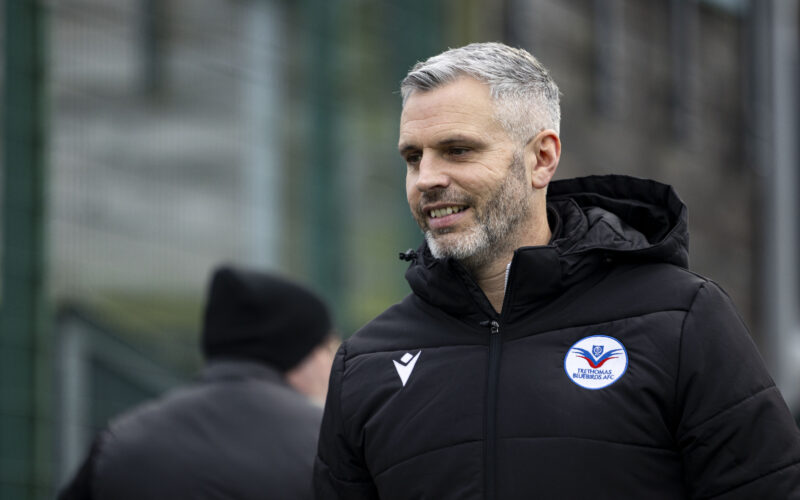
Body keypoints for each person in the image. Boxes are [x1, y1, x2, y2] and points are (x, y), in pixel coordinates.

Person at [314, 42, 800, 499]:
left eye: (458, 150)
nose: (428, 179)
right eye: (413, 157)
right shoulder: (368, 361)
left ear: (541, 158)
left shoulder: (679, 318)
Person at [59, 265, 338, 500]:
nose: (334, 362)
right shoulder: (329, 449)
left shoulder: (120, 443)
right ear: (300, 352)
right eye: (327, 348)